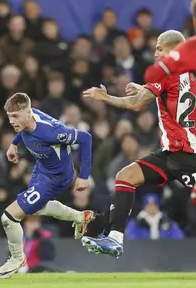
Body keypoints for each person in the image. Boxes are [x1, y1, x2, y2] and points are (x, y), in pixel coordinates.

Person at [80, 30, 192, 258]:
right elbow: (174, 96)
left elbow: (136, 104)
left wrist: (106, 98)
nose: (155, 52)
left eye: (160, 48)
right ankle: (115, 238)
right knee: (125, 176)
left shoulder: (165, 73)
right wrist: (146, 90)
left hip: (189, 157)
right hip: (171, 154)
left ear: (174, 51)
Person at [0, 92, 95, 279]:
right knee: (33, 210)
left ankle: (17, 259)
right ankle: (80, 217)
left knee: (9, 217)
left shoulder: (52, 132)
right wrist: (14, 144)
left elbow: (86, 138)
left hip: (57, 177)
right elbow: (23, 130)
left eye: (15, 116)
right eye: (9, 117)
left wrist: (83, 176)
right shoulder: (29, 118)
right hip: (41, 169)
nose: (11, 121)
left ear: (27, 112)